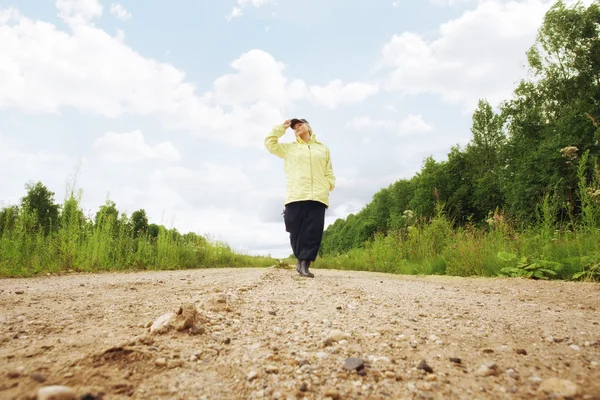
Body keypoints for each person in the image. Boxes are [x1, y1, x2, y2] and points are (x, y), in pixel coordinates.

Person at [264, 118, 335, 278]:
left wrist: (329, 184)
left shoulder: (322, 149)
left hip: (317, 195)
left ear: (309, 127)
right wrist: (281, 128)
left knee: (312, 231)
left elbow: (328, 170)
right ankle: (300, 259)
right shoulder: (289, 148)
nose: (297, 128)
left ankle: (305, 264)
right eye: (294, 127)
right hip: (296, 194)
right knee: (294, 228)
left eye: (300, 125)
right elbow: (270, 143)